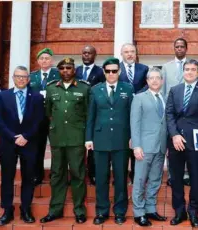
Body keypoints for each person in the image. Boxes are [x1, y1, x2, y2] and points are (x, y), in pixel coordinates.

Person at [40, 58, 90, 224]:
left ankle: (79, 211)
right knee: (57, 175)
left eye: (69, 68)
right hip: (58, 138)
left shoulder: (84, 88)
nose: (66, 71)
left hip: (77, 138)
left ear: (74, 70)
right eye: (62, 68)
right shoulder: (51, 87)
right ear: (59, 71)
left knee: (78, 174)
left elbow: (88, 114)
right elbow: (48, 113)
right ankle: (55, 210)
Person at [166, 59, 198, 228]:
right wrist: (174, 135)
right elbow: (169, 115)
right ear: (183, 71)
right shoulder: (174, 90)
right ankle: (179, 212)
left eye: (193, 69)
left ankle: (194, 212)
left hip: (196, 142)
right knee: (176, 178)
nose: (189, 72)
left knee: (195, 178)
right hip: (176, 142)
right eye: (187, 69)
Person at [0, 66, 44, 226]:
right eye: (18, 76)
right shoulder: (2, 96)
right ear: (13, 78)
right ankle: (7, 210)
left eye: (24, 77)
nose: (21, 79)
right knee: (7, 177)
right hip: (9, 143)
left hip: (29, 143)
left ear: (28, 79)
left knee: (28, 177)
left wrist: (26, 136)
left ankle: (25, 209)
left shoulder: (36, 97)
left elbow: (39, 120)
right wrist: (13, 136)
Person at [85, 57, 134, 225]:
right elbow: (90, 116)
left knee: (120, 177)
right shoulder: (95, 90)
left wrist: (132, 137)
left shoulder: (127, 89)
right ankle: (102, 211)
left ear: (119, 71)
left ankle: (120, 211)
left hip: (121, 140)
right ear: (104, 72)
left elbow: (131, 116)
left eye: (114, 70)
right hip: (100, 139)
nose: (111, 74)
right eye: (108, 71)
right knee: (101, 177)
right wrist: (88, 138)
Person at [130, 67, 167, 226]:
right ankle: (139, 212)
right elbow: (135, 123)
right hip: (144, 147)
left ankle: (151, 209)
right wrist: (136, 145)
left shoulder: (165, 98)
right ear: (147, 81)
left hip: (161, 147)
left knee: (155, 180)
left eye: (157, 78)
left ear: (162, 81)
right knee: (139, 180)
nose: (154, 80)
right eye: (151, 78)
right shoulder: (139, 98)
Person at [161, 38, 191, 186]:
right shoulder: (166, 67)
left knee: (187, 144)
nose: (179, 49)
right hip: (172, 113)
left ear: (186, 48)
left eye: (182, 46)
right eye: (177, 46)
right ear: (174, 48)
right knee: (172, 144)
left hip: (188, 113)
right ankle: (173, 175)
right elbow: (163, 91)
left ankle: (186, 174)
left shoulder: (192, 65)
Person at [29, 48, 60, 185]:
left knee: (56, 147)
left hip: (54, 116)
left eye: (47, 58)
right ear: (38, 61)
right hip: (37, 118)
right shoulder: (32, 76)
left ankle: (56, 175)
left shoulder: (58, 75)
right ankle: (37, 175)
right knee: (37, 147)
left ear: (52, 60)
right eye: (41, 58)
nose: (44, 61)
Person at [118, 43, 149, 183]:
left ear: (136, 53)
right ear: (122, 54)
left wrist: (137, 96)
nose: (129, 54)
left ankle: (136, 175)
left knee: (137, 142)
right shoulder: (115, 69)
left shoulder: (144, 68)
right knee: (123, 144)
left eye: (132, 51)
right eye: (126, 52)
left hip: (140, 112)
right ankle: (122, 174)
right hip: (121, 112)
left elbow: (147, 85)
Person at [75, 45, 106, 185]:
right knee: (78, 146)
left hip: (94, 112)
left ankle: (93, 174)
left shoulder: (100, 72)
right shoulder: (76, 71)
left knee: (93, 146)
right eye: (84, 53)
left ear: (95, 55)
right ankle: (78, 174)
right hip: (78, 113)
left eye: (89, 53)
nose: (86, 55)